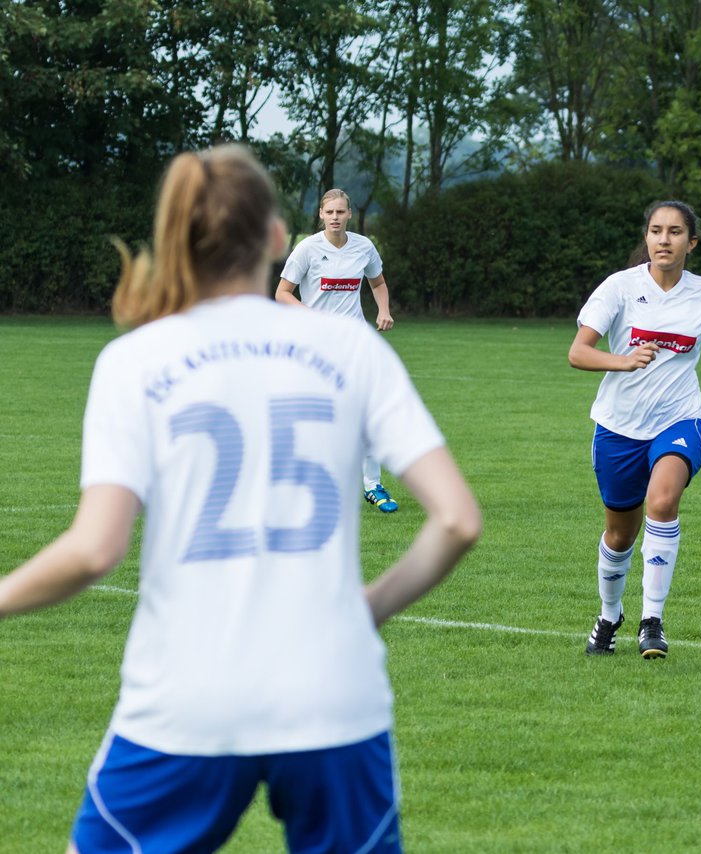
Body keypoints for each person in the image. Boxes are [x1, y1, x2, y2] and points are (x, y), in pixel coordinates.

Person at [0, 145, 481, 853]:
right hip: (332, 694)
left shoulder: (135, 360)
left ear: (175, 238)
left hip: (188, 697)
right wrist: (365, 609)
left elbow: (94, 549)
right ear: (281, 238)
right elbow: (457, 519)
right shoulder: (351, 352)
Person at [569, 200, 701, 659]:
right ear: (646, 238)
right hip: (618, 427)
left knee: (663, 501)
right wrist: (623, 360)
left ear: (692, 241)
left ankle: (652, 620)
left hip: (681, 419)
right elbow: (579, 352)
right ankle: (610, 616)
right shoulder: (619, 288)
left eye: (674, 232)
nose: (663, 240)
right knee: (619, 535)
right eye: (655, 231)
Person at [276, 188, 402, 513]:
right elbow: (282, 294)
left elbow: (378, 283)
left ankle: (372, 485)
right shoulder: (306, 249)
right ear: (321, 214)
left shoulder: (364, 246)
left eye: (340, 212)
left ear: (349, 214)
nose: (335, 217)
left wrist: (383, 310)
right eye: (329, 212)